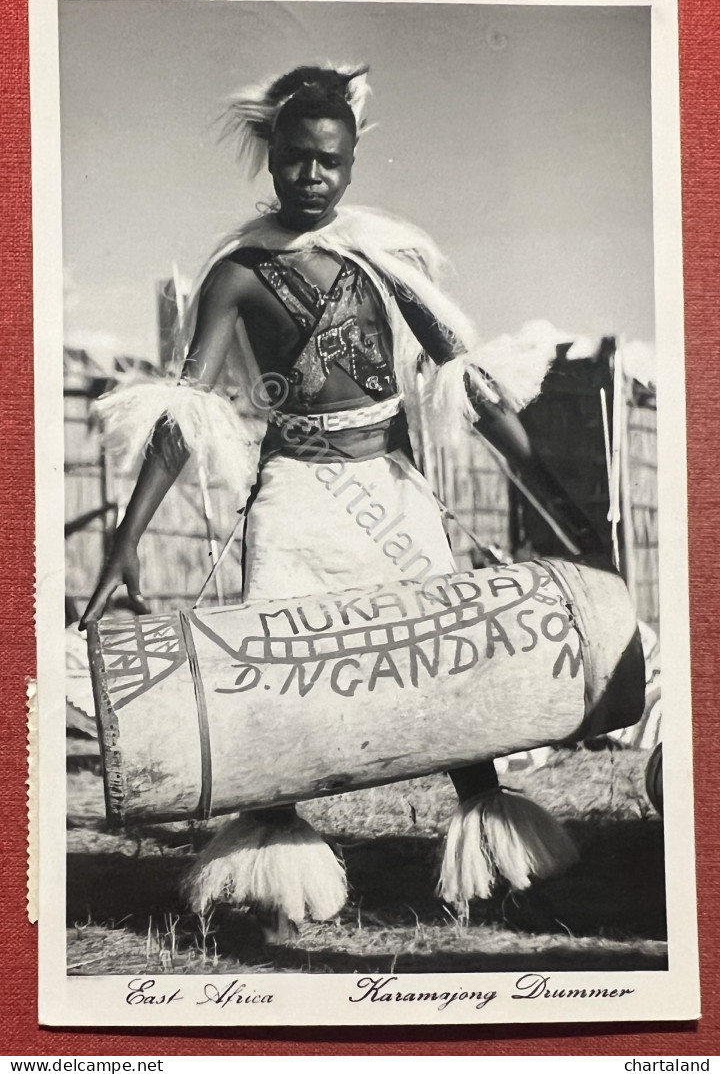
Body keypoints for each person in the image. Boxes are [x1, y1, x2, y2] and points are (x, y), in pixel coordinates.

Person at [81, 64, 596, 940]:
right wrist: (123, 545)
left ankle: (499, 864)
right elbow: (185, 415)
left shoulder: (381, 259)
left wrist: (551, 495)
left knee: (450, 662)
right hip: (293, 494)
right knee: (275, 673)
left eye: (328, 163)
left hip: (390, 490)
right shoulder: (238, 273)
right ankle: (272, 890)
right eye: (293, 162)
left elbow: (467, 383)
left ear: (351, 164)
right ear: (271, 159)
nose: (309, 179)